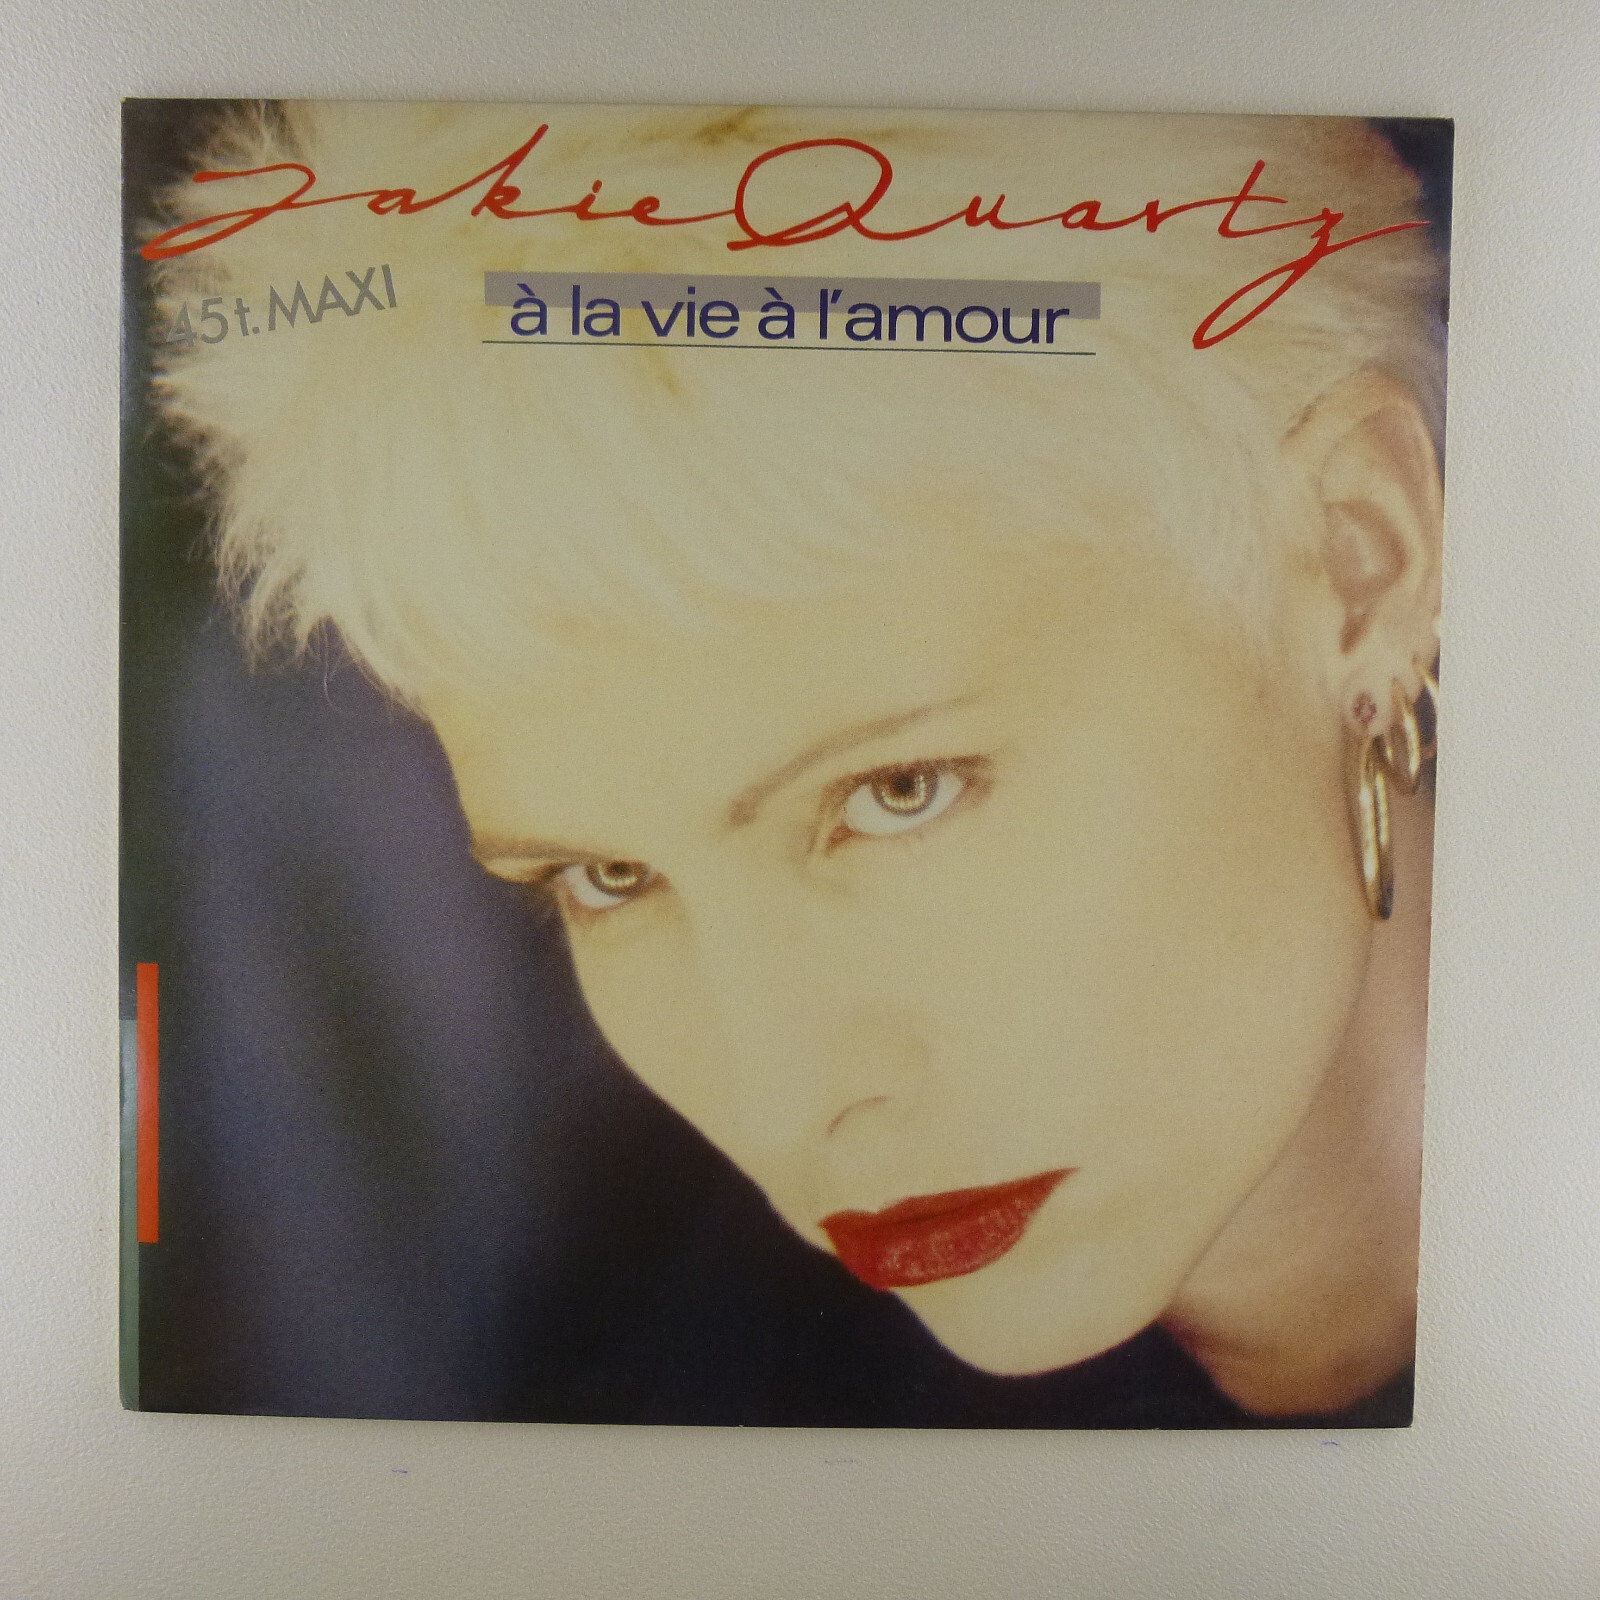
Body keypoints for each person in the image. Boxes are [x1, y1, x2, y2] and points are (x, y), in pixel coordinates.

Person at [140, 100, 1446, 1421]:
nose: (784, 1096)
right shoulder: (656, 1423)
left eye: (898, 794)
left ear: (1360, 564)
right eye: (606, 878)